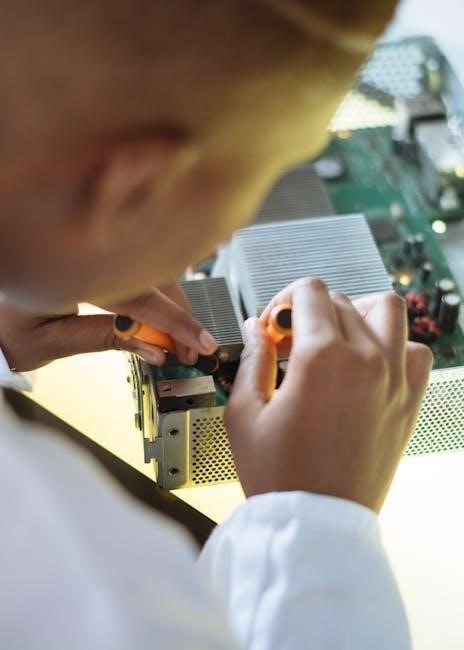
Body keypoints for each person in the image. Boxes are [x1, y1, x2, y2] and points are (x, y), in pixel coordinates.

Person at [0, 1, 432, 648]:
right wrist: (315, 517)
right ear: (137, 192)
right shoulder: (94, 590)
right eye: (265, 177)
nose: (236, 230)